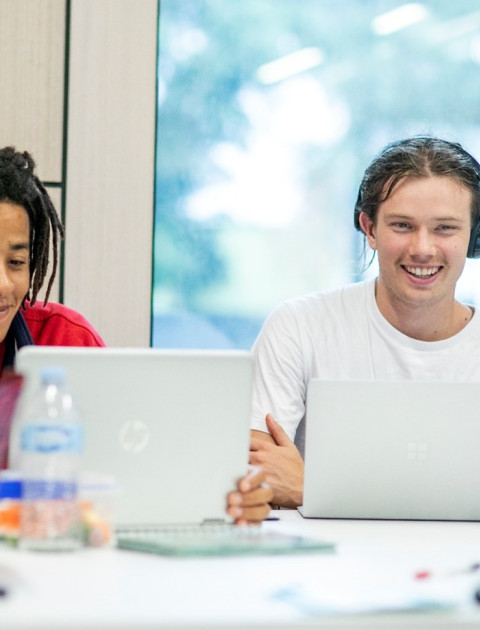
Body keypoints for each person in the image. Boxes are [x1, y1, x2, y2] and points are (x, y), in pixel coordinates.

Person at [0, 146, 272, 523]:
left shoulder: (64, 338)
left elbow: (136, 467)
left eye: (16, 263)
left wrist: (233, 497)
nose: (3, 284)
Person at [248, 136, 480, 508]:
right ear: (369, 228)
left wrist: (314, 487)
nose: (422, 248)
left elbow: (289, 482)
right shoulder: (299, 326)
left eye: (445, 228)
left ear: (471, 235)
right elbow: (257, 468)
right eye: (402, 225)